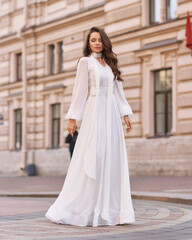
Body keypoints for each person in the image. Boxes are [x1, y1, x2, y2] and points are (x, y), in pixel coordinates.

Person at [45, 26, 135, 227]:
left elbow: (119, 92)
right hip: (95, 111)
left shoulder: (111, 64)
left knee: (112, 157)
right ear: (88, 43)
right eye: (92, 40)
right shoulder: (86, 63)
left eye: (99, 40)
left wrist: (126, 114)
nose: (96, 43)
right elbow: (80, 90)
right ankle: (84, 208)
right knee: (96, 155)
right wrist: (73, 117)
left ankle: (111, 211)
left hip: (111, 113)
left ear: (104, 41)